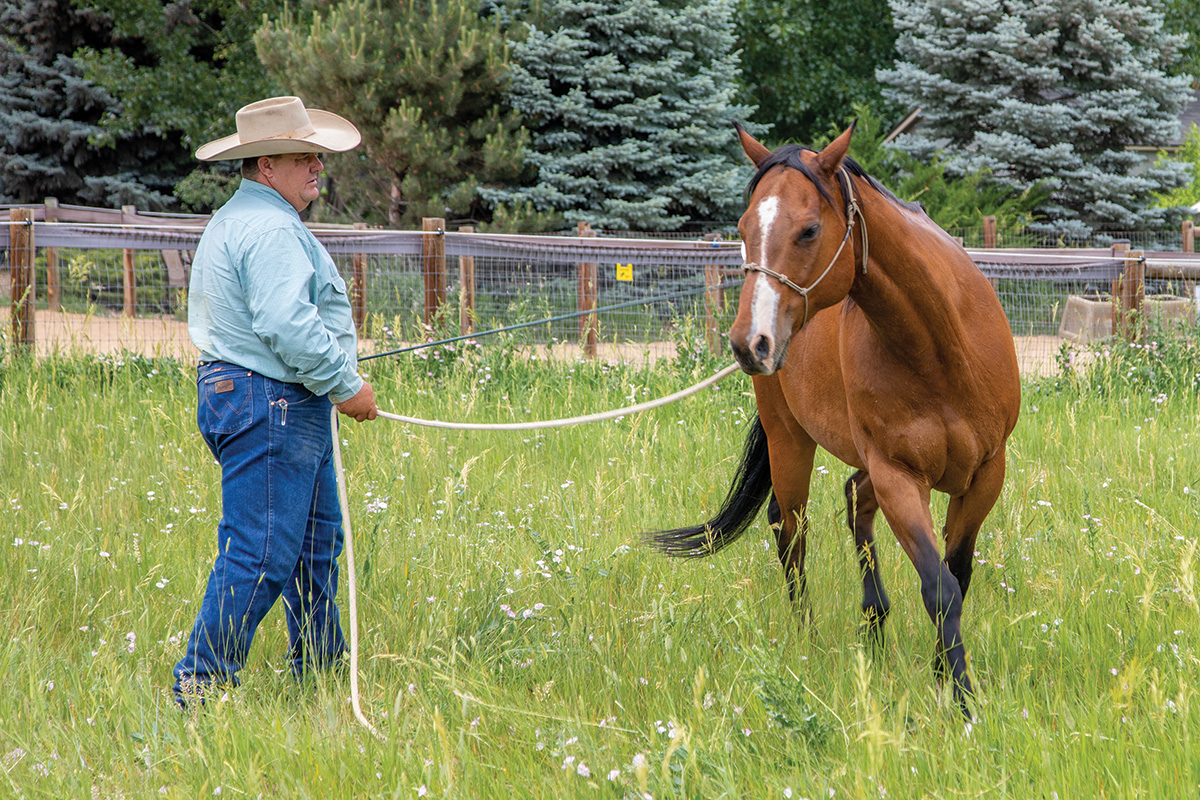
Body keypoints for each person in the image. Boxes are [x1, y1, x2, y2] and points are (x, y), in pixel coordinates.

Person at [173, 96, 378, 708]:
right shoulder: (270, 229)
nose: (317, 166)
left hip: (273, 402)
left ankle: (318, 668)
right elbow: (287, 326)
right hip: (274, 405)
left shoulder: (244, 220)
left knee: (316, 546)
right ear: (266, 165)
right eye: (303, 156)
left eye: (317, 155)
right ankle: (200, 689)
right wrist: (346, 387)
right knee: (262, 554)